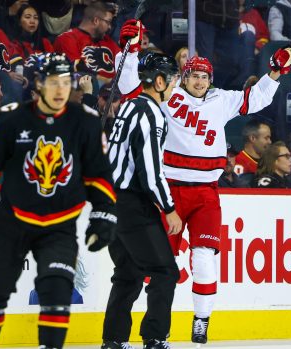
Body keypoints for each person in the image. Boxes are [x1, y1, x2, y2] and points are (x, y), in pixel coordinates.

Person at [118, 36, 291, 344]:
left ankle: (202, 320)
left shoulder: (222, 100)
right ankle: (149, 323)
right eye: (194, 75)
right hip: (169, 191)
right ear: (184, 76)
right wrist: (131, 49)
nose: (200, 80)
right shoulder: (168, 95)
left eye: (205, 76)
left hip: (206, 192)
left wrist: (274, 73)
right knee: (157, 264)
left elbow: (256, 99)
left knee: (204, 259)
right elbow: (132, 90)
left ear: (210, 79)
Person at [0, 53, 117, 349]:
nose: (61, 89)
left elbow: (99, 174)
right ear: (38, 84)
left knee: (57, 291)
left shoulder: (85, 123)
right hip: (11, 220)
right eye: (53, 82)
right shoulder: (13, 117)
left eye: (66, 82)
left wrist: (104, 213)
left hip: (60, 225)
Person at [102, 51, 182, 349]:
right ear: (159, 81)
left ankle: (114, 340)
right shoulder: (151, 114)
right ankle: (155, 338)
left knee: (129, 272)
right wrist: (169, 208)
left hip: (109, 202)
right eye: (172, 81)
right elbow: (151, 171)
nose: (174, 87)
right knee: (165, 271)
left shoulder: (129, 106)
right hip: (130, 203)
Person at [54, 2, 120, 84]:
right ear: (96, 20)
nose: (109, 27)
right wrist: (107, 81)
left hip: (116, 91)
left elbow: (124, 63)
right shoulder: (67, 38)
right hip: (88, 89)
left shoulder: (107, 40)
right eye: (108, 22)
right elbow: (77, 68)